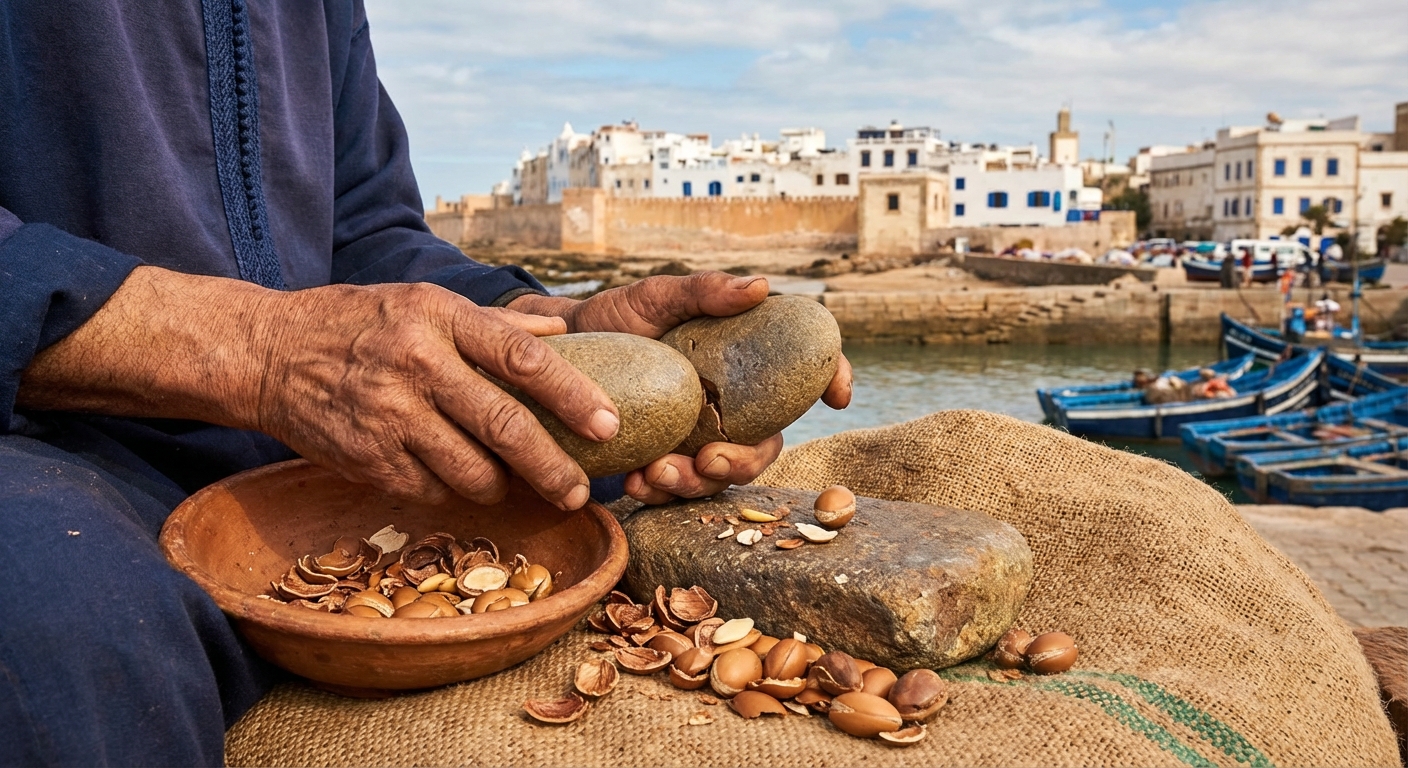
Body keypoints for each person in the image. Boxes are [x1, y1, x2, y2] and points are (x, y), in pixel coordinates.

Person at [0, 4, 853, 765]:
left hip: (335, 429)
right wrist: (261, 353)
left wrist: (536, 326)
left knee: (597, 465)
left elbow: (367, 228)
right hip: (51, 435)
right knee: (54, 622)